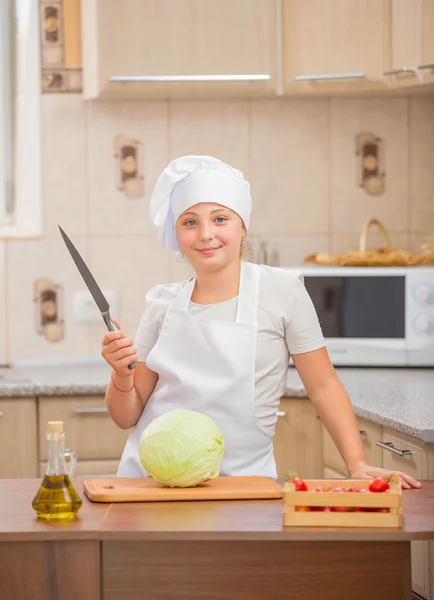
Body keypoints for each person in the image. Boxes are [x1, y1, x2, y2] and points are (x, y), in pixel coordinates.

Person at [102, 155, 421, 489]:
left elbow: (323, 385)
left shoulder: (283, 292)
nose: (206, 234)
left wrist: (357, 464)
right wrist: (121, 375)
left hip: (244, 485)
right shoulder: (161, 303)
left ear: (243, 226)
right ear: (177, 233)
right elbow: (126, 417)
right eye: (190, 222)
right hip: (152, 484)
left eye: (220, 218)